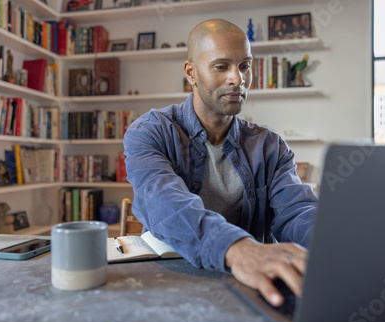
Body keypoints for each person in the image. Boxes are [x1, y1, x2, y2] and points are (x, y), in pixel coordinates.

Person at [123, 19, 317, 307]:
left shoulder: (270, 147)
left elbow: (296, 211)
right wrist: (239, 249)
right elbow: (166, 204)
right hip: (168, 283)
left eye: (245, 66)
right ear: (192, 73)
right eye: (222, 66)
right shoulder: (150, 131)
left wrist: (334, 243)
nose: (237, 79)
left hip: (247, 283)